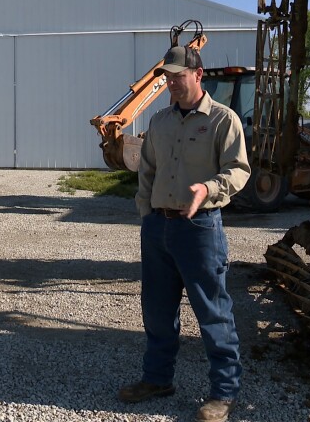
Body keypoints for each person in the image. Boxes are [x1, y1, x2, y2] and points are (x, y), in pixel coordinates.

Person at [118, 45, 251, 422]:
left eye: (178, 76)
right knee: (157, 311)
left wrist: (208, 188)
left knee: (213, 312)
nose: (172, 83)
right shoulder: (159, 121)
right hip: (158, 227)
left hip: (200, 229)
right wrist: (147, 213)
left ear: (198, 74)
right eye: (167, 77)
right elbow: (147, 170)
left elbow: (239, 170)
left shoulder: (223, 120)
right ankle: (157, 380)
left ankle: (223, 392)